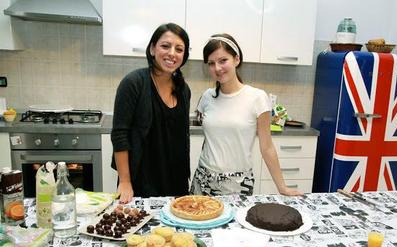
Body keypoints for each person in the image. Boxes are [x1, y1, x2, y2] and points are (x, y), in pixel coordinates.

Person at [190, 33, 302, 196]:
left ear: (236, 59)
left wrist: (282, 187)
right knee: (197, 221)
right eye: (211, 63)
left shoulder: (257, 98)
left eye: (223, 60)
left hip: (238, 183)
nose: (217, 68)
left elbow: (267, 147)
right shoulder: (207, 96)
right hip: (203, 179)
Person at [111, 23, 191, 203]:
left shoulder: (183, 90)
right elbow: (119, 135)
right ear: (153, 49)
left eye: (179, 49)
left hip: (175, 183)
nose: (172, 53)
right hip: (141, 182)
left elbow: (180, 138)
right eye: (165, 46)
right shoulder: (133, 83)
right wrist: (125, 181)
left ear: (184, 56)